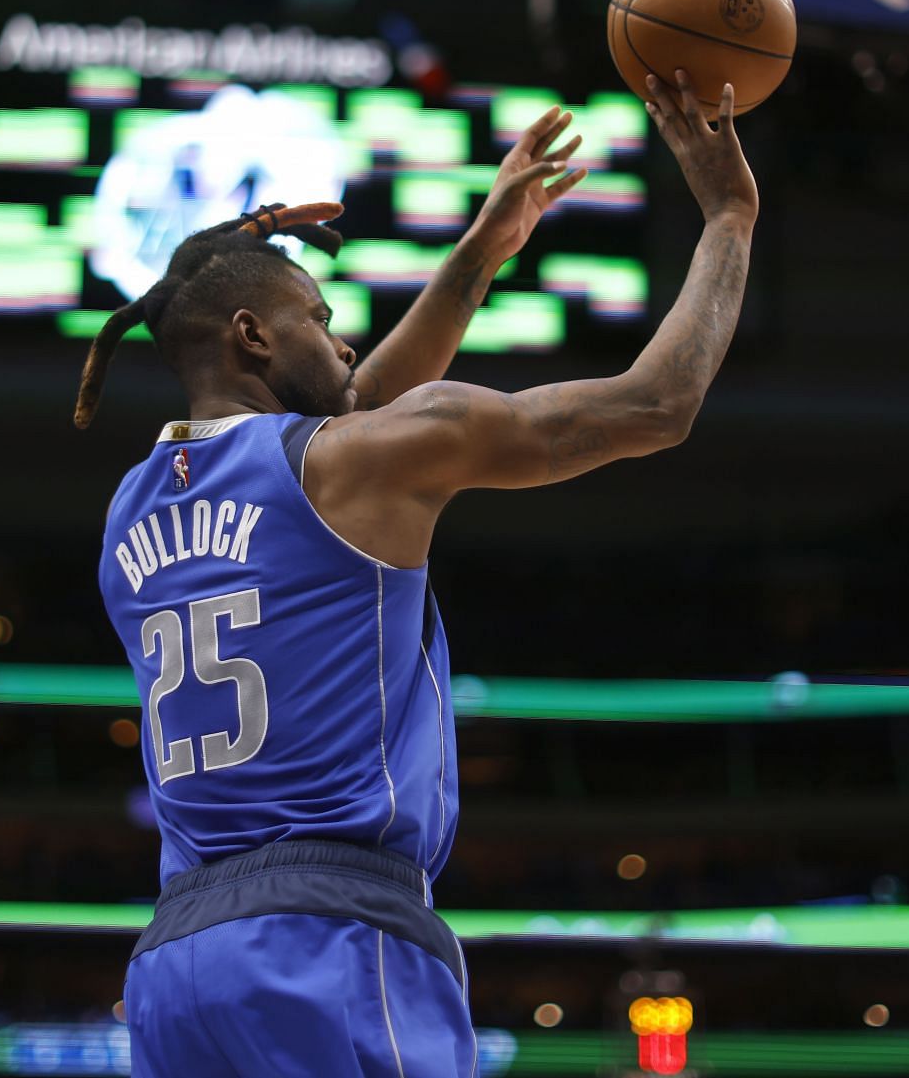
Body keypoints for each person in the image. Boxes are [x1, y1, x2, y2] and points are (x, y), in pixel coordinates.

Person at [78, 70, 758, 1077]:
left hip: (176, 965)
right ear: (253, 335)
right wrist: (730, 217)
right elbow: (658, 404)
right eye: (316, 311)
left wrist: (482, 252)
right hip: (334, 937)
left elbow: (346, 413)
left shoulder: (131, 510)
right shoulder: (359, 459)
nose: (341, 333)